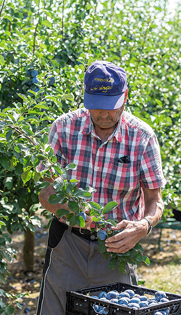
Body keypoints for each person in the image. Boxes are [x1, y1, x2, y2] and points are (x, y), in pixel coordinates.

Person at [36, 61, 167, 315]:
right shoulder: (63, 128)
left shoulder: (142, 137)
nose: (103, 115)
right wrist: (71, 211)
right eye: (96, 106)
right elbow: (46, 192)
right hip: (68, 245)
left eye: (111, 107)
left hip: (117, 250)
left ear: (125, 97)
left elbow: (155, 199)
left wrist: (143, 226)